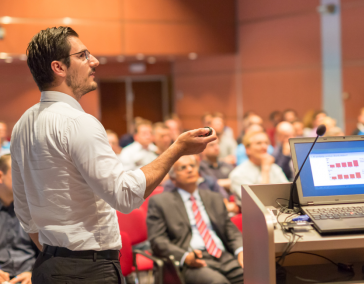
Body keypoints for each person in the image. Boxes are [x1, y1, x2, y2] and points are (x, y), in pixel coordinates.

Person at [11, 26, 217, 284]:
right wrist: (177, 149)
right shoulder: (79, 122)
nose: (94, 61)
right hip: (89, 270)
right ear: (59, 67)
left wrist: (57, 255)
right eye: (83, 55)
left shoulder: (22, 124)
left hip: (48, 266)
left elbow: (24, 211)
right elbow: (125, 196)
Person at [147, 155, 244, 284]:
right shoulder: (161, 202)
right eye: (183, 168)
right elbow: (157, 240)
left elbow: (229, 229)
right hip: (192, 261)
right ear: (173, 178)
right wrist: (184, 256)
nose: (189, 170)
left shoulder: (214, 198)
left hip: (223, 255)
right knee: (218, 282)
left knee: (257, 276)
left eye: (192, 166)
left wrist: (240, 250)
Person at [0, 155, 37, 284]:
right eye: (17, 172)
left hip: (28, 277)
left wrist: (33, 273)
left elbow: (46, 250)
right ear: (0, 176)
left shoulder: (33, 209)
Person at [230, 131, 288, 203]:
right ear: (247, 150)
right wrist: (265, 170)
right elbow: (259, 202)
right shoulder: (238, 174)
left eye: (266, 143)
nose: (264, 147)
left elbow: (287, 195)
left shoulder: (275, 168)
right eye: (259, 143)